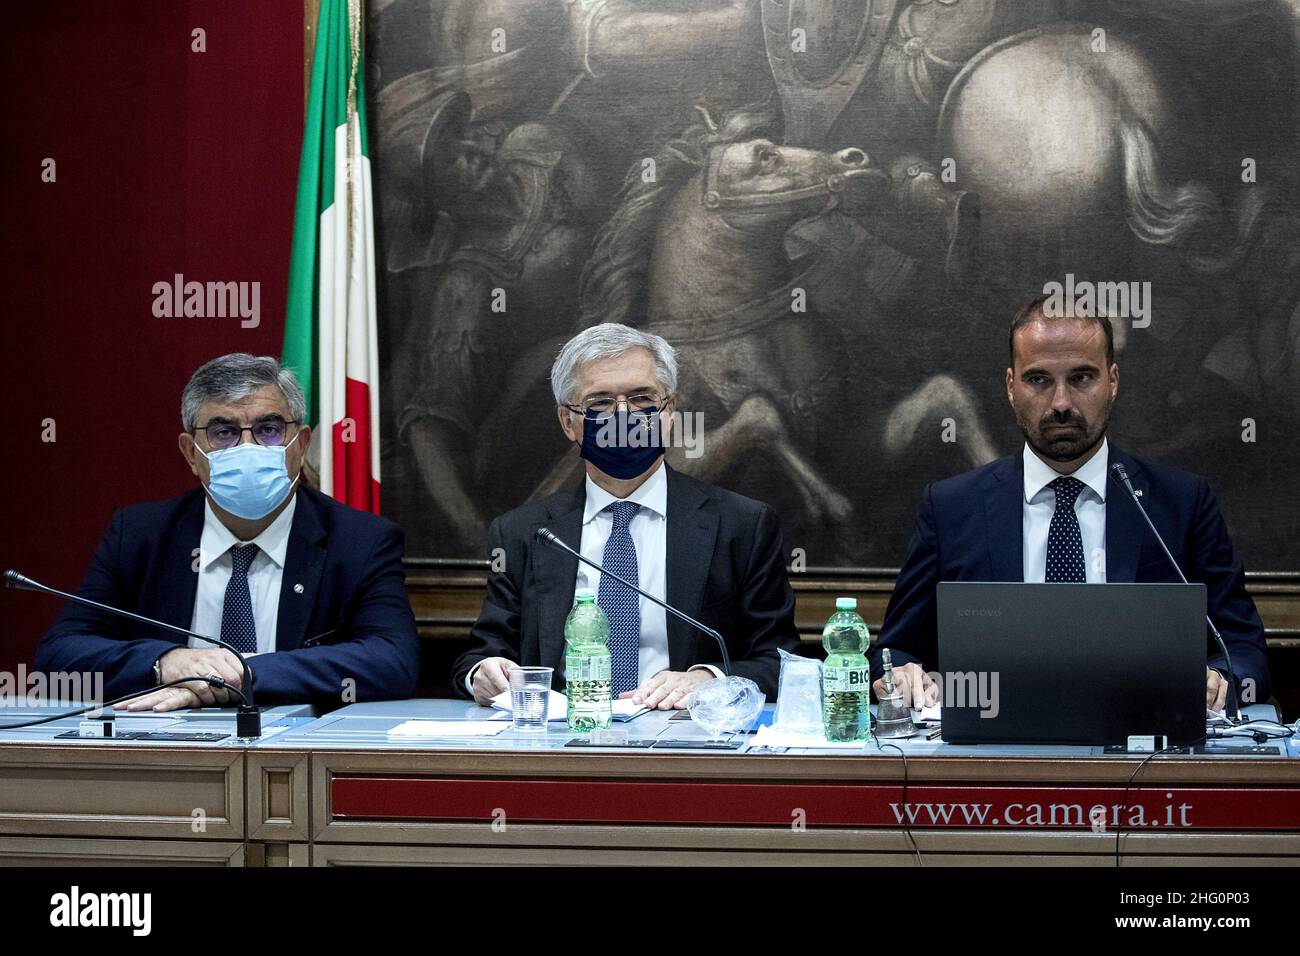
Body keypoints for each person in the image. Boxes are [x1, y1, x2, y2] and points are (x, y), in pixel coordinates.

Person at [871, 294, 1271, 711]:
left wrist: (1223, 679)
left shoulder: (1182, 503)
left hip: (1139, 751)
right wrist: (898, 675)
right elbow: (894, 654)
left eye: (1081, 378)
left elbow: (1243, 649)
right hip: (994, 754)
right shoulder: (951, 508)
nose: (1061, 403)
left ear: (1112, 381)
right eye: (1039, 380)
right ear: (1011, 387)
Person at [33, 354, 420, 711]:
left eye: (269, 429)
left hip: (298, 755)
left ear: (300, 446)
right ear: (190, 453)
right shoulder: (140, 536)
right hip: (164, 751)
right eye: (224, 432)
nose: (247, 447)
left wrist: (241, 675)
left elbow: (392, 661)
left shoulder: (360, 541)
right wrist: (167, 662)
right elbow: (58, 656)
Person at [453, 323, 800, 709]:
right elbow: (482, 656)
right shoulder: (523, 533)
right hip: (563, 743)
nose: (624, 416)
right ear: (569, 422)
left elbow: (781, 661)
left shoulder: (742, 525)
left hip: (685, 737)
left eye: (641, 398)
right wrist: (483, 672)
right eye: (599, 402)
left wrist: (710, 678)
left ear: (669, 412)